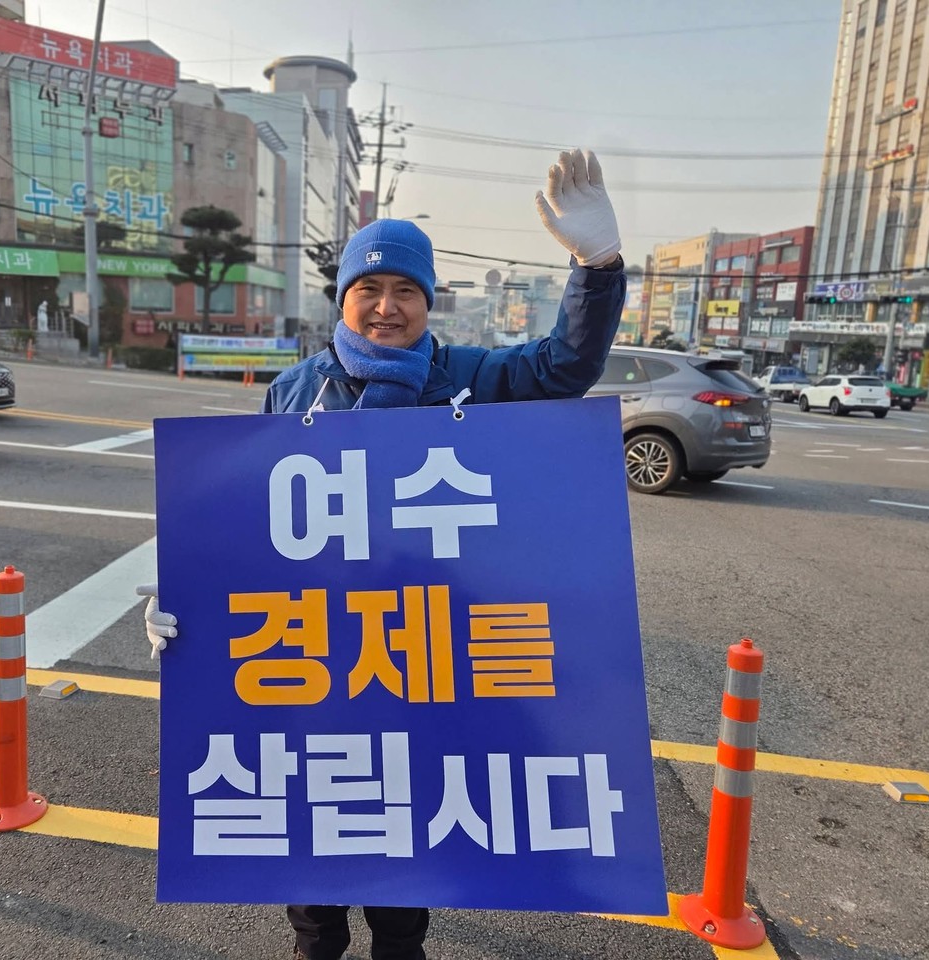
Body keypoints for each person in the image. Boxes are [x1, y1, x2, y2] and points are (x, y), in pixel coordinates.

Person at [137, 148, 625, 960]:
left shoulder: (468, 376)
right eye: (371, 288)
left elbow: (564, 368)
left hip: (426, 644)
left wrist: (598, 269)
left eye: (406, 291)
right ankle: (316, 941)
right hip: (315, 643)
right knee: (314, 829)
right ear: (344, 297)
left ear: (428, 302)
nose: (387, 307)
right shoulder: (295, 390)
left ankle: (401, 942)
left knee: (410, 846)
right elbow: (247, 518)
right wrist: (186, 593)